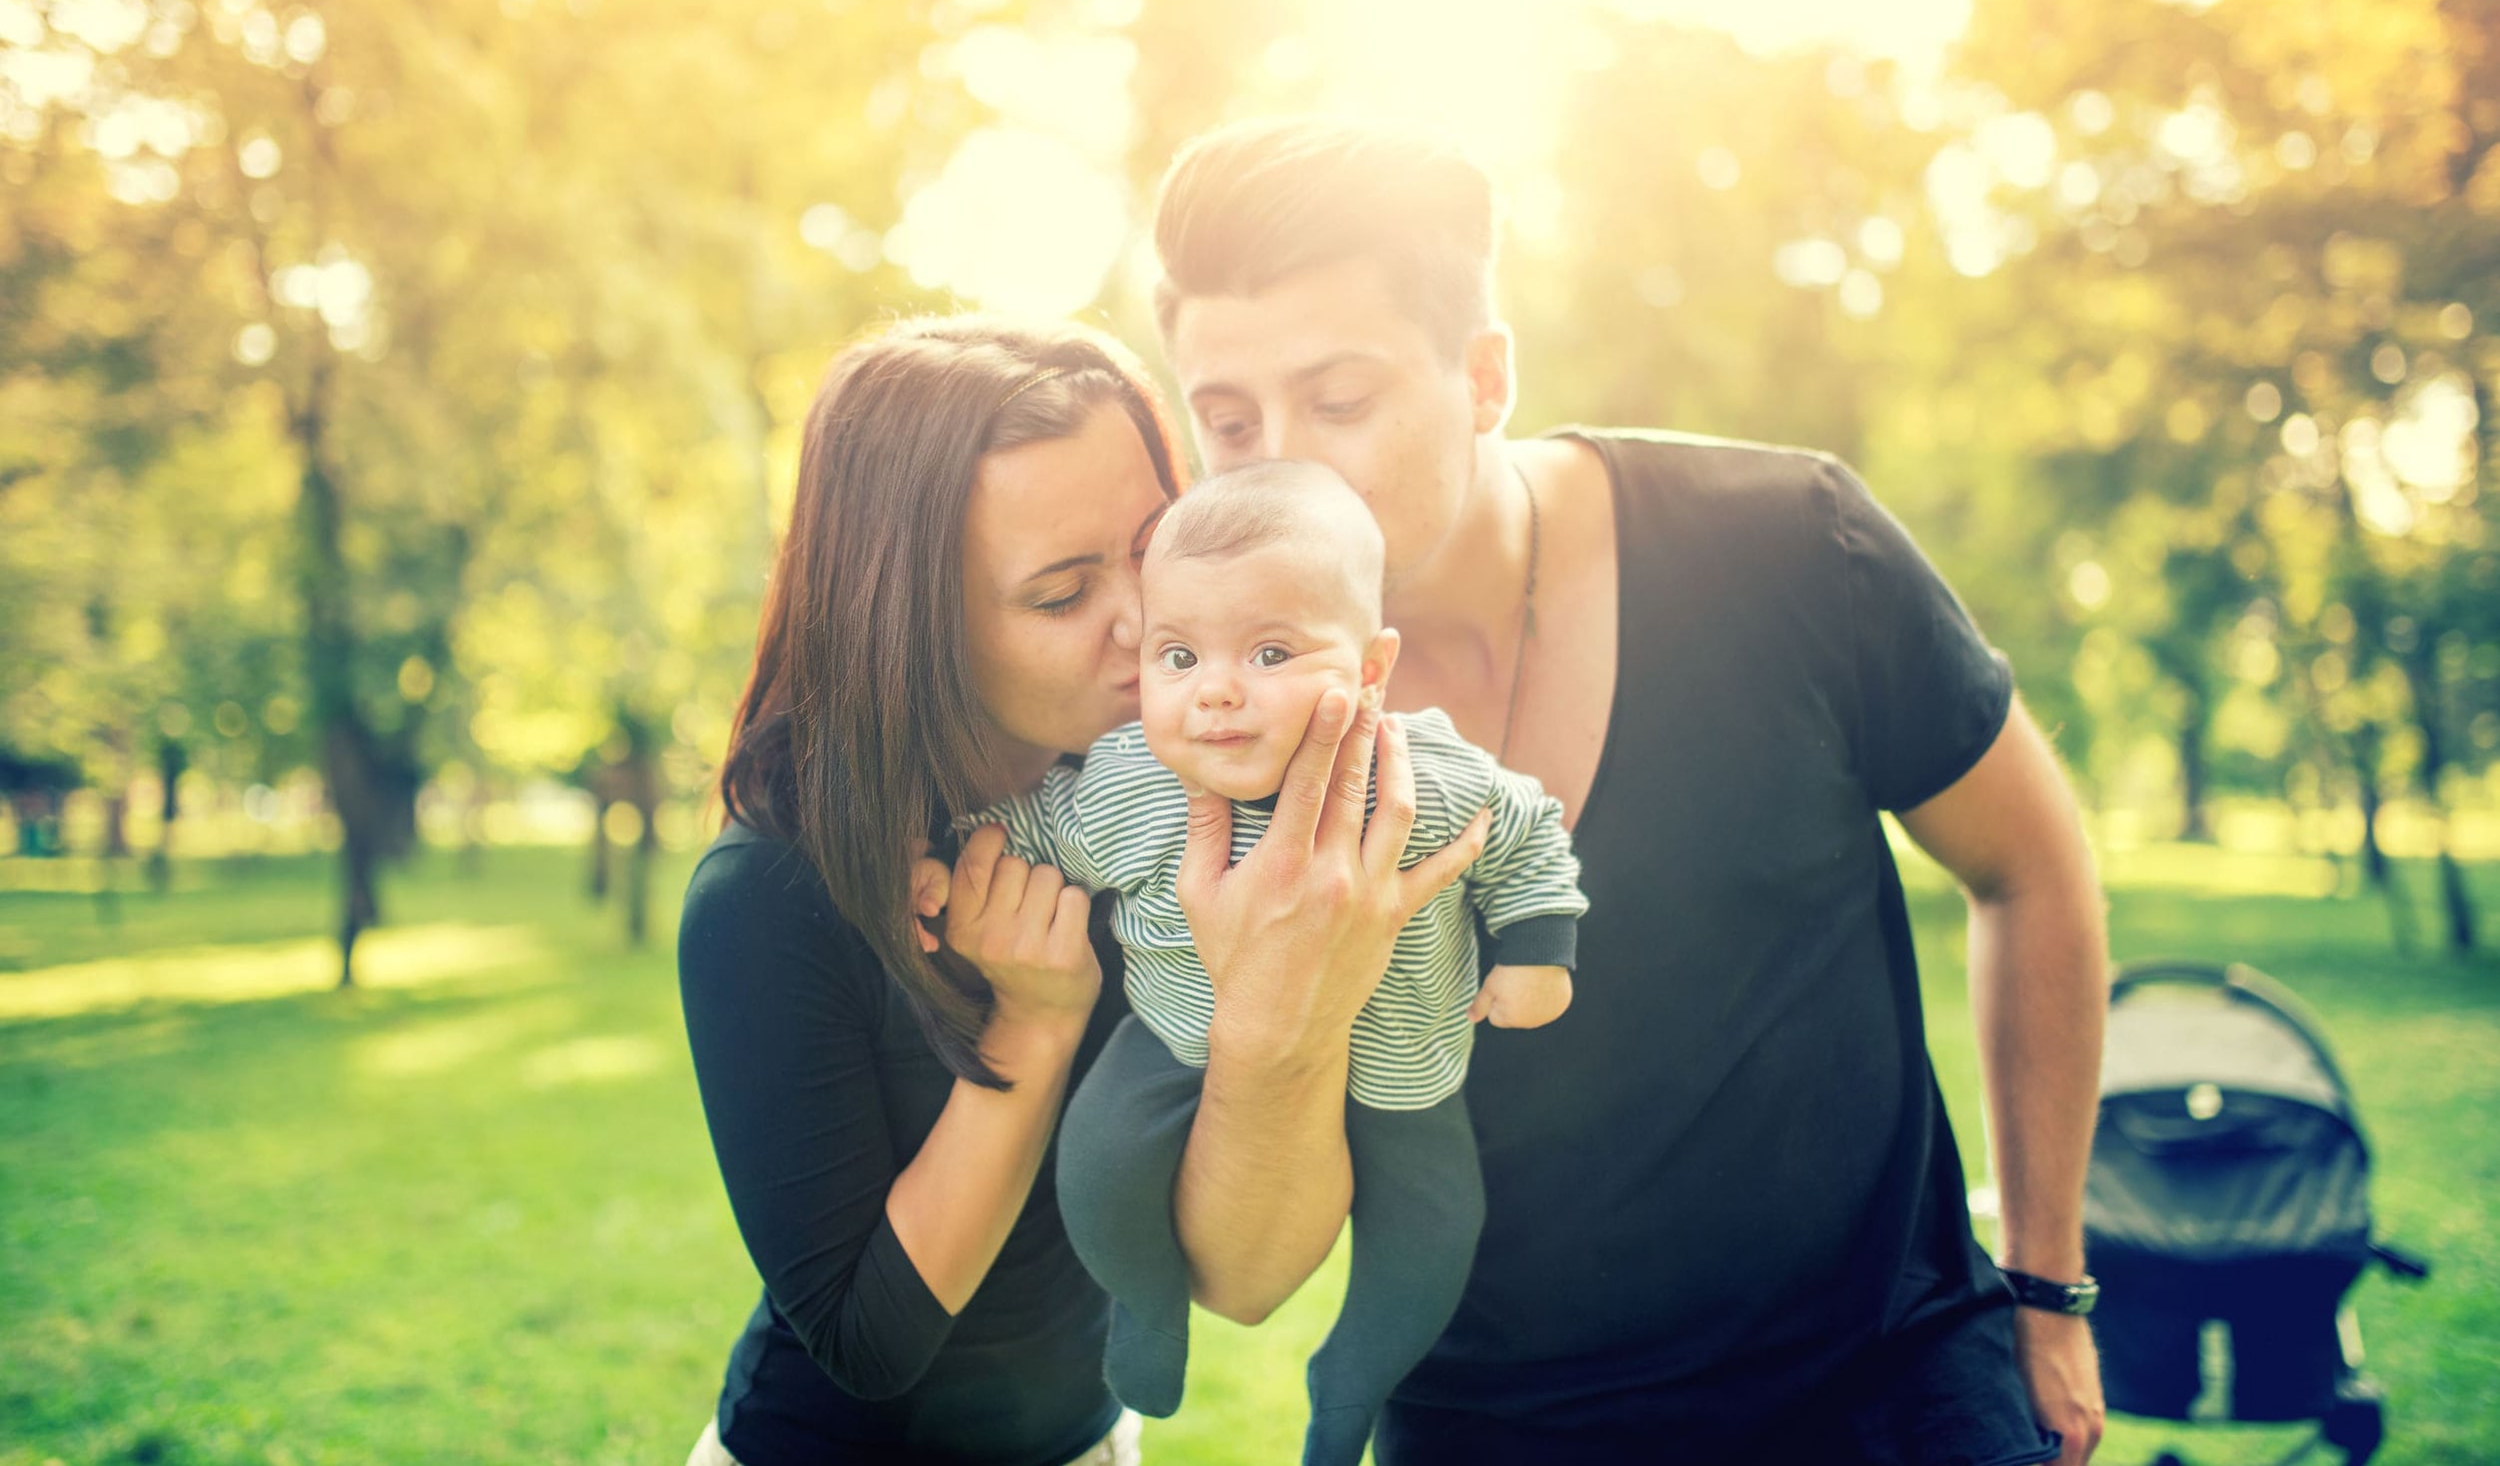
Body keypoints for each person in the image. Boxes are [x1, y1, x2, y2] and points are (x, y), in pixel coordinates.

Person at [1136, 118, 2113, 1466]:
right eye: (1230, 420)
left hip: (1887, 1403)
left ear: (1483, 375)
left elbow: (2031, 867)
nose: (1284, 465)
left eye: (1340, 400)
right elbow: (1242, 1278)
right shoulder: (1219, 737)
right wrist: (1271, 1009)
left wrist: (2048, 1285)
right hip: (1489, 1434)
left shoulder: (1786, 545)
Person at [674, 313, 1490, 1466]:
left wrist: (1286, 1003)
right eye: (1061, 596)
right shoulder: (770, 896)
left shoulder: (1173, 802)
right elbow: (864, 1342)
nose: (1146, 628)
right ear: (910, 624)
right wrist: (1035, 1029)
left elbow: (1238, 1283)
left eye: (1151, 552)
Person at [967, 459, 1585, 1466]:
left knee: (1433, 1239)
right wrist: (954, 859)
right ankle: (1146, 1305)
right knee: (1097, 1163)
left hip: (1404, 1068)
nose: (1215, 692)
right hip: (1180, 1043)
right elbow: (1033, 826)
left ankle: (1350, 1383)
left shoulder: (1424, 774)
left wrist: (1536, 947)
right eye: (1178, 656)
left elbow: (1525, 834)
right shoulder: (1132, 784)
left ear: (1371, 666)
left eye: (1267, 651)